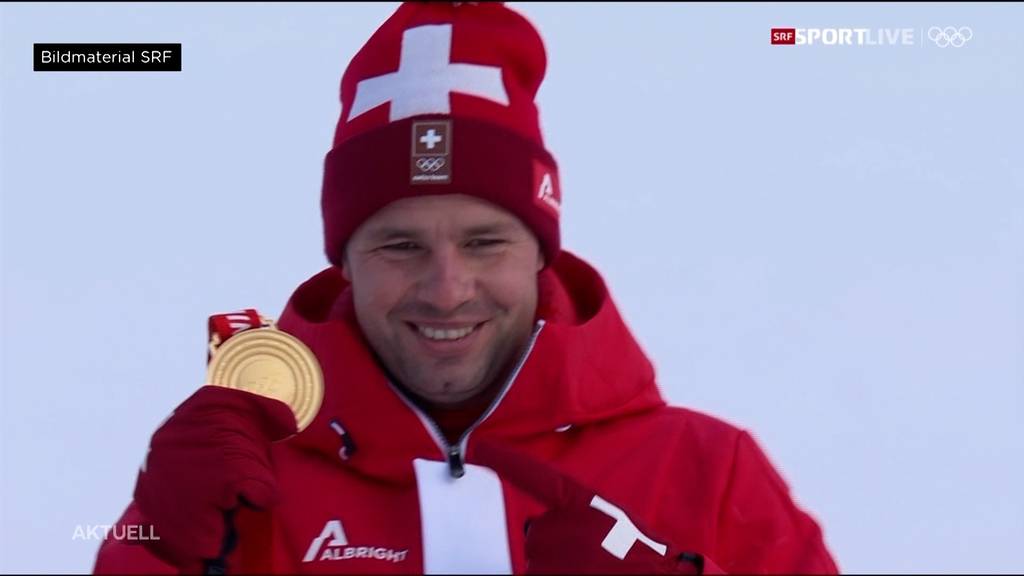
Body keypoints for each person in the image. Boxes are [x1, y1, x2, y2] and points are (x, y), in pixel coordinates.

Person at [94, 3, 839, 574]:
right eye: (400, 245)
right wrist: (153, 549)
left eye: (485, 242)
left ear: (542, 254)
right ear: (343, 264)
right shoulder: (243, 486)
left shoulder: (704, 472)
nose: (447, 290)